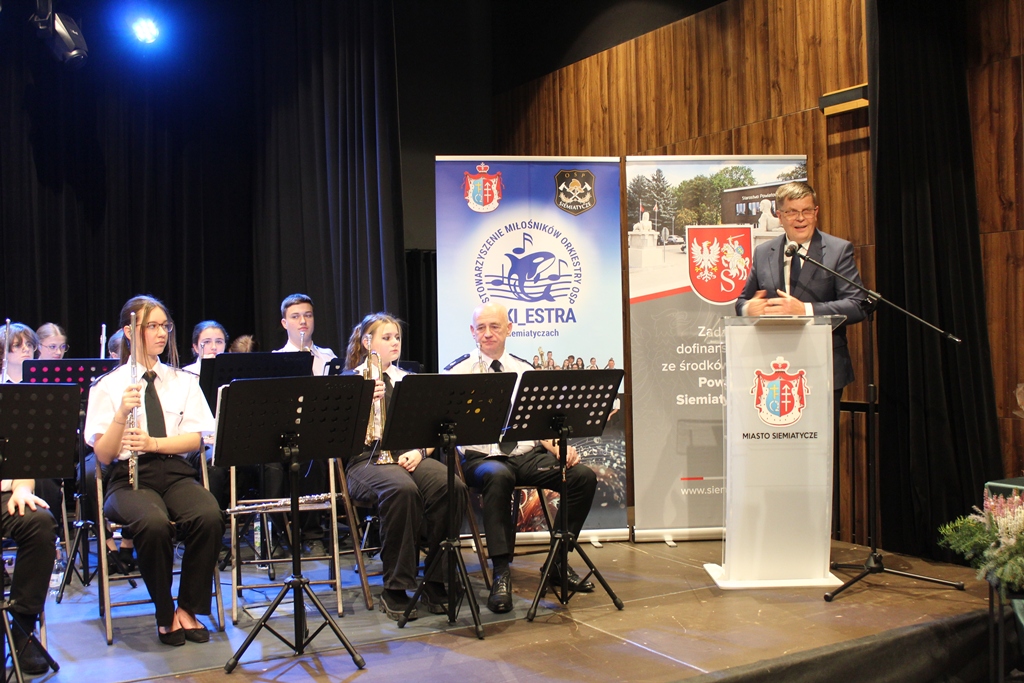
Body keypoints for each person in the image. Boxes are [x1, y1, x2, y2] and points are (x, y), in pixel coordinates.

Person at [85, 295, 224, 647]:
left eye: (165, 326)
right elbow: (103, 454)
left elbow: (198, 437)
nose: (162, 333)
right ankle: (165, 613)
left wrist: (154, 443)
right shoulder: (107, 385)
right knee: (153, 523)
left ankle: (188, 608)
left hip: (174, 471)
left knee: (209, 515)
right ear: (129, 331)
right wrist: (121, 414)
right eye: (152, 326)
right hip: (128, 478)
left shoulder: (183, 381)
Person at [444, 302, 597, 614]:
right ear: (472, 331)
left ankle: (557, 562)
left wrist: (557, 447)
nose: (488, 333)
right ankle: (501, 572)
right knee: (498, 475)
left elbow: (540, 423)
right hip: (481, 461)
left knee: (582, 477)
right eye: (481, 327)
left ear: (509, 329)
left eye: (494, 326)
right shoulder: (457, 372)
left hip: (524, 457)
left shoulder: (525, 370)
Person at [343, 313, 468, 620]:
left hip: (407, 455)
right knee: (401, 489)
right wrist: (361, 402)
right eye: (386, 337)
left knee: (451, 486)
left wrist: (420, 452)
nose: (395, 343)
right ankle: (395, 587)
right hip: (365, 461)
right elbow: (339, 439)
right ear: (367, 342)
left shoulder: (407, 380)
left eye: (397, 337)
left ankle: (437, 579)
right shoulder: (351, 380)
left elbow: (431, 429)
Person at [735, 180, 868, 395]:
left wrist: (805, 310)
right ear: (779, 216)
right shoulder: (763, 252)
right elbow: (742, 302)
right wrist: (748, 309)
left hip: (822, 365)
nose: (800, 218)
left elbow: (857, 305)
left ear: (816, 212)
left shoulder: (838, 250)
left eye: (807, 210)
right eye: (792, 212)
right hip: (771, 365)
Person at [1, 479, 57, 675]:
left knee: (40, 523)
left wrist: (22, 488)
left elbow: (22, 468)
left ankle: (23, 628)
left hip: (5, 495)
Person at [275, 293, 336, 376]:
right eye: (295, 317)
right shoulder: (276, 359)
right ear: (284, 323)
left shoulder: (328, 357)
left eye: (308, 315)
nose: (303, 321)